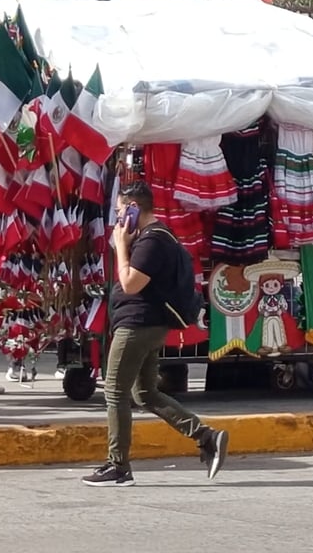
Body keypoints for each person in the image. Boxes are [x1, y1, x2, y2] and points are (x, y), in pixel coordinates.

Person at [82, 180, 227, 487]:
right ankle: (206, 437)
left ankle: (118, 466)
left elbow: (131, 283)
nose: (119, 219)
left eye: (121, 211)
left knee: (115, 392)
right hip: (146, 323)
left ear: (134, 209)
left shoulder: (153, 241)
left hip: (138, 324)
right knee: (144, 393)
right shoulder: (154, 238)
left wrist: (122, 245)